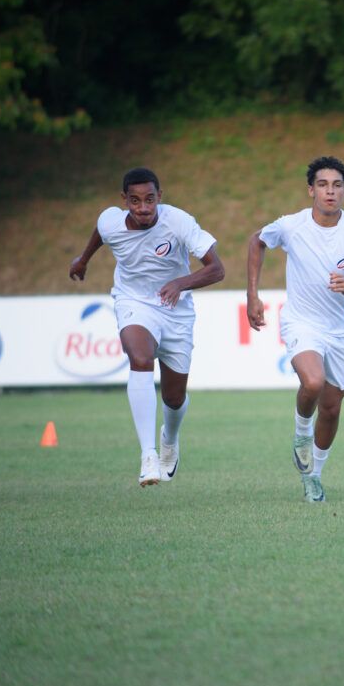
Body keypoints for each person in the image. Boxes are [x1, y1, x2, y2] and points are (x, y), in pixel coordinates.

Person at [70, 167, 225, 486]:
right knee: (140, 359)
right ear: (124, 200)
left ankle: (169, 438)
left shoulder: (178, 221)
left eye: (150, 200)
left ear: (160, 197)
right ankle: (148, 456)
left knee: (174, 398)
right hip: (134, 302)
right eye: (136, 201)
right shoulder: (110, 220)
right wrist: (83, 260)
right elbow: (102, 233)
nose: (143, 208)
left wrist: (180, 284)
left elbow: (217, 269)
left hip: (176, 311)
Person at [247, 156, 344, 502]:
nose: (330, 191)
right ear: (311, 190)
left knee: (332, 408)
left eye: (337, 185)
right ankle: (300, 433)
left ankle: (314, 477)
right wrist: (253, 295)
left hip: (339, 330)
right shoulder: (292, 226)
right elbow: (257, 241)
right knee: (313, 382)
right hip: (301, 322)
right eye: (323, 185)